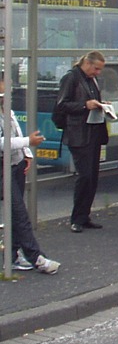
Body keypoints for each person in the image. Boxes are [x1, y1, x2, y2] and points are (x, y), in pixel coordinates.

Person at [0, 73, 60, 273]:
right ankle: (36, 258)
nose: (6, 92)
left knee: (15, 214)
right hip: (3, 169)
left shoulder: (6, 109)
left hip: (15, 165)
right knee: (19, 214)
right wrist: (28, 143)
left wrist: (26, 154)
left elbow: (15, 131)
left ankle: (12, 256)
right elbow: (2, 143)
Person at [55, 51, 109, 233]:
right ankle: (76, 218)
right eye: (96, 68)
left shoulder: (90, 80)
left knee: (92, 177)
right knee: (84, 175)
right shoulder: (71, 78)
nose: (98, 73)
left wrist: (101, 105)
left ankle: (84, 216)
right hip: (78, 134)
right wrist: (85, 105)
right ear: (87, 63)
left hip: (93, 132)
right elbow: (62, 105)